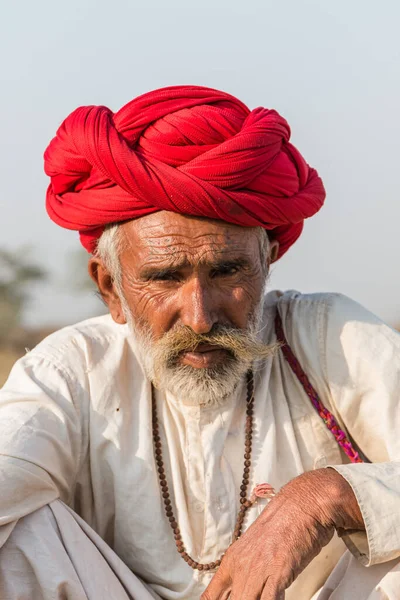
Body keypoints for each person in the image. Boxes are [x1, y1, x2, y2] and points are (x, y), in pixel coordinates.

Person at [0, 85, 399, 600]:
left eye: (227, 271)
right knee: (21, 535)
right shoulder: (69, 372)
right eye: (165, 277)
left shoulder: (328, 337)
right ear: (110, 288)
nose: (201, 317)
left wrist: (327, 497)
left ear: (267, 261)